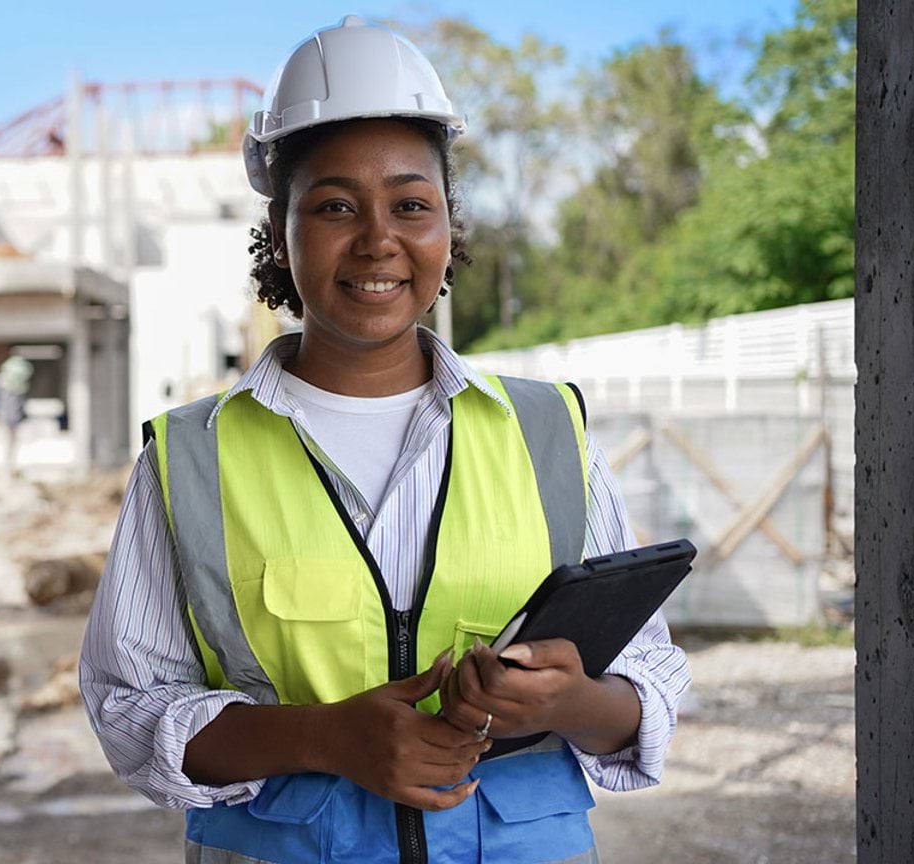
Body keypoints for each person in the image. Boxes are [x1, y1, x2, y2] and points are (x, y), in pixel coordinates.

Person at [80, 16, 690, 864]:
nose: (378, 240)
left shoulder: (548, 432)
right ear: (280, 233)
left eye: (411, 205)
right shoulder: (190, 458)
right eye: (335, 206)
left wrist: (571, 703)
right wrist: (326, 738)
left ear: (448, 226)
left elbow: (648, 679)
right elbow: (129, 709)